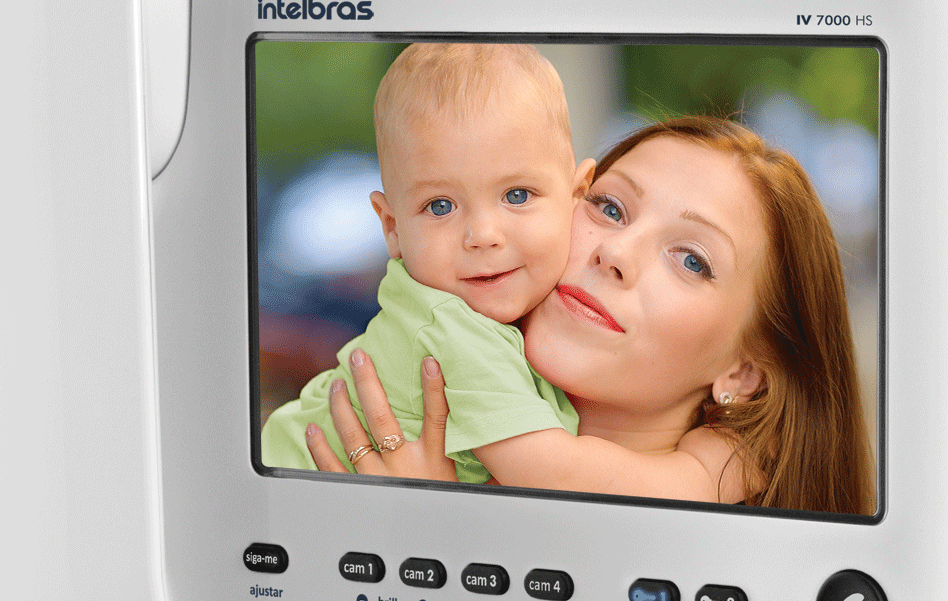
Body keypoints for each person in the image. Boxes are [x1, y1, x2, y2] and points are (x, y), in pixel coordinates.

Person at [306, 116, 875, 516]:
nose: (616, 252)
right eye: (609, 207)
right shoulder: (441, 337)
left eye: (691, 260)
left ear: (744, 374)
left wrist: (433, 542)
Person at [260, 42, 596, 484]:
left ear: (577, 196)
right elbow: (560, 478)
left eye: (517, 195)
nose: (483, 235)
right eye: (440, 206)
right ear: (393, 228)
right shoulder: (452, 331)